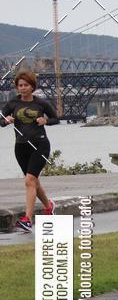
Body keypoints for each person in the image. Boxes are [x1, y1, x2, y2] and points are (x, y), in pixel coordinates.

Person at [0, 70, 58, 231]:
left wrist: (45, 120)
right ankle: (48, 206)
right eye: (20, 85)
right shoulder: (12, 103)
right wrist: (6, 120)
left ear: (32, 87)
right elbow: (1, 121)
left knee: (29, 181)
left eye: (26, 85)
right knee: (33, 181)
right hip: (20, 146)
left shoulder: (41, 103)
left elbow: (56, 119)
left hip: (40, 144)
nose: (23, 88)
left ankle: (27, 219)